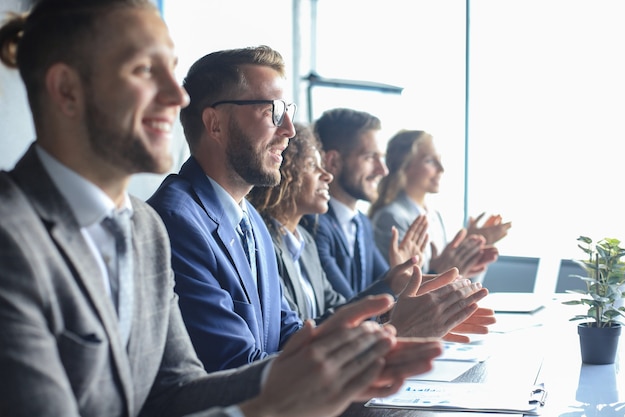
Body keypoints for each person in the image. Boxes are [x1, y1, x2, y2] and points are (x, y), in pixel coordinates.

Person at [0, 2, 444, 416]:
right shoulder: (11, 239)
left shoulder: (144, 228)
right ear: (67, 90)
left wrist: (362, 350)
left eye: (172, 72)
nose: (178, 96)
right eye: (142, 70)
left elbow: (176, 390)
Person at [249, 122, 496, 341]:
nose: (327, 175)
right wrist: (403, 290)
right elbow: (348, 309)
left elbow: (347, 307)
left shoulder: (313, 241)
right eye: (314, 166)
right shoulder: (296, 235)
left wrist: (401, 281)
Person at [369, 129, 510, 281]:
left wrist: (470, 252)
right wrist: (439, 272)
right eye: (430, 161)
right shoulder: (390, 218)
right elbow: (398, 291)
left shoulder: (435, 216)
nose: (441, 169)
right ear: (405, 166)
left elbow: (454, 283)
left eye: (440, 160)